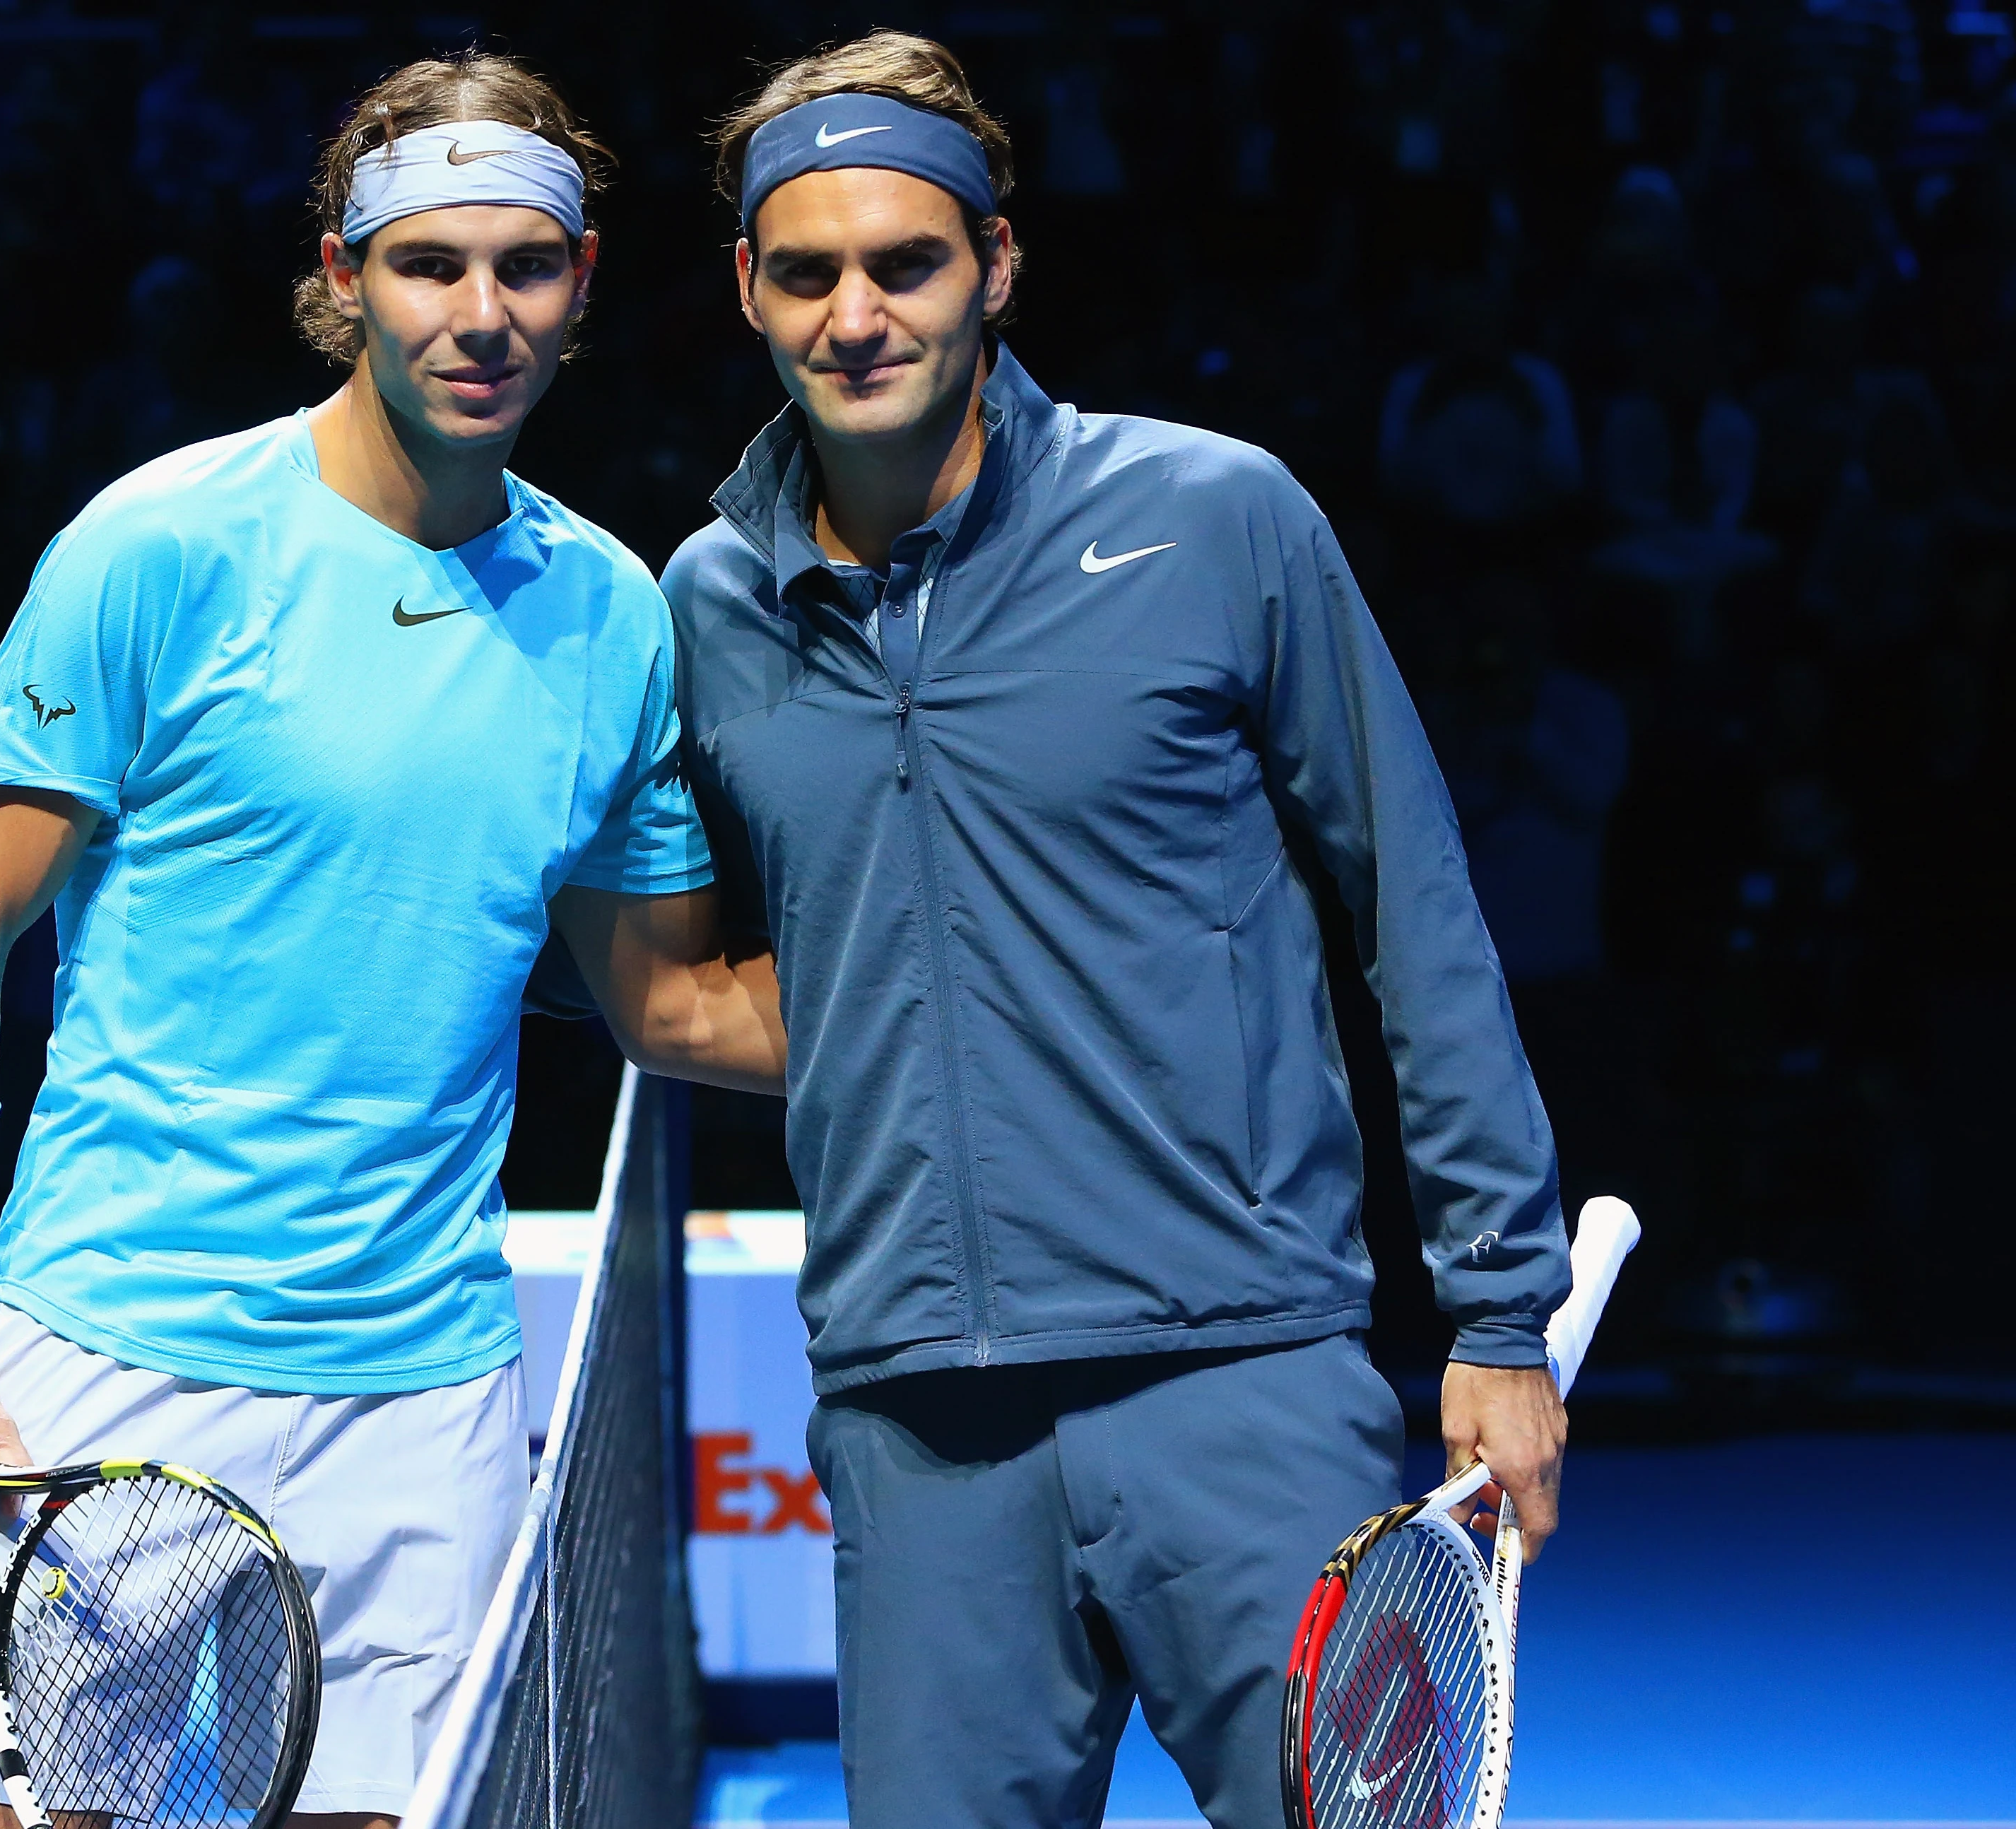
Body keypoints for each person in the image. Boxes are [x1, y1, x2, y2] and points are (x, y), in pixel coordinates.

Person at [0, 54, 782, 1829]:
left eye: (525, 266)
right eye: (430, 265)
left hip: (422, 1399)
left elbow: (668, 1002)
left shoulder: (609, 615)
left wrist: (994, 1024)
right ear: (344, 279)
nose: (480, 313)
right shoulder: (161, 546)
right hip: (111, 1353)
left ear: (580, 285)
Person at [661, 34, 1572, 1829]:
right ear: (747, 291)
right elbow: (715, 962)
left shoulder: (1214, 517)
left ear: (995, 266)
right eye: (810, 270)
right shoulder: (707, 605)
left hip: (1239, 1378)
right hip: (920, 1421)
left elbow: (1415, 910)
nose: (857, 313)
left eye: (904, 263)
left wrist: (1498, 1314)